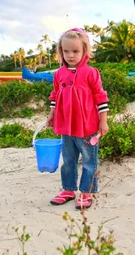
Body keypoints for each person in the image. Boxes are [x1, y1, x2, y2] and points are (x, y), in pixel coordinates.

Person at [46, 27, 109, 209]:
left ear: (84, 51)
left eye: (75, 51)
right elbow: (55, 96)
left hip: (88, 127)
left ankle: (86, 192)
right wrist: (52, 114)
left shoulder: (91, 73)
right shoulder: (59, 74)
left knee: (89, 161)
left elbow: (100, 97)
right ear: (60, 52)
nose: (70, 55)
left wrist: (103, 121)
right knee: (68, 159)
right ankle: (68, 189)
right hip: (66, 126)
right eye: (66, 51)